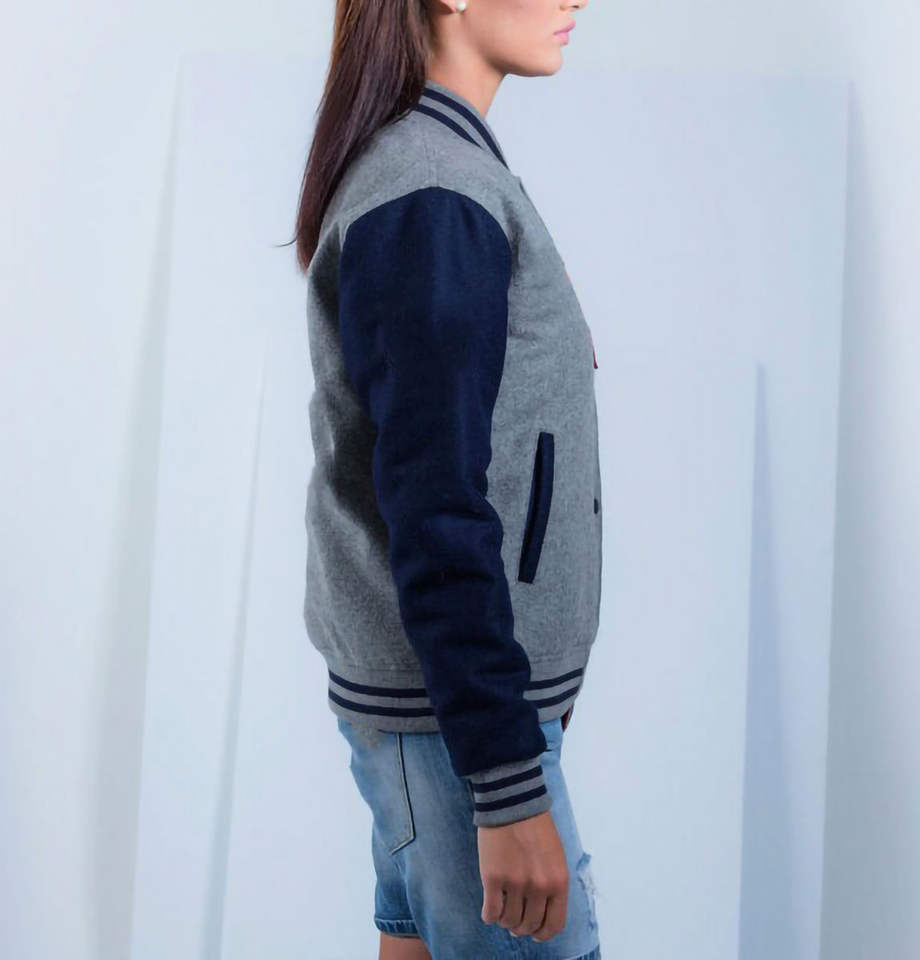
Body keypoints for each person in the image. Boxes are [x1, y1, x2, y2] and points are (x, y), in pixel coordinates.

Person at [292, 0, 600, 956]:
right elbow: (433, 500)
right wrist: (506, 784)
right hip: (456, 726)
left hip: (442, 718)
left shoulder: (442, 169)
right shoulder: (430, 189)